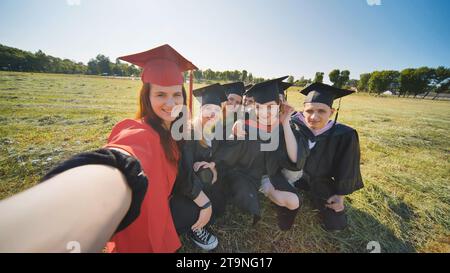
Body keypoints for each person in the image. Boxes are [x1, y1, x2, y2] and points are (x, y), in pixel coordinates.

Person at [103, 44, 198, 252]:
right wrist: (103, 168)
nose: (171, 103)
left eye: (177, 95)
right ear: (147, 97)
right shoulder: (143, 131)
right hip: (144, 217)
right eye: (161, 95)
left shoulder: (175, 130)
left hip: (163, 204)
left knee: (194, 209)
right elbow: (127, 148)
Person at [213, 77, 309, 230]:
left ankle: (270, 196)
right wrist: (235, 129)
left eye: (270, 107)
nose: (265, 113)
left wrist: (285, 122)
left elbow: (295, 159)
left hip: (268, 176)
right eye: (259, 107)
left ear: (279, 105)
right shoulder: (245, 122)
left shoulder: (283, 125)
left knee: (293, 201)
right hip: (247, 173)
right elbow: (228, 149)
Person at [290, 82, 364, 231]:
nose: (314, 116)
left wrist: (340, 196)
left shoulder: (344, 135)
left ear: (331, 112)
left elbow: (347, 166)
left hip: (321, 181)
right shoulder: (293, 125)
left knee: (336, 223)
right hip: (293, 176)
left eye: (321, 111)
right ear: (303, 111)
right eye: (309, 110)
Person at [170, 83, 228, 251]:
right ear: (200, 109)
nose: (212, 114)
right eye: (208, 108)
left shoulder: (218, 132)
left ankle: (200, 220)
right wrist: (204, 203)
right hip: (185, 189)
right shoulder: (189, 133)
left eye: (216, 110)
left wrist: (213, 166)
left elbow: (222, 158)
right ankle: (195, 228)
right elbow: (183, 174)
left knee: (220, 202)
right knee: (186, 212)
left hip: (205, 184)